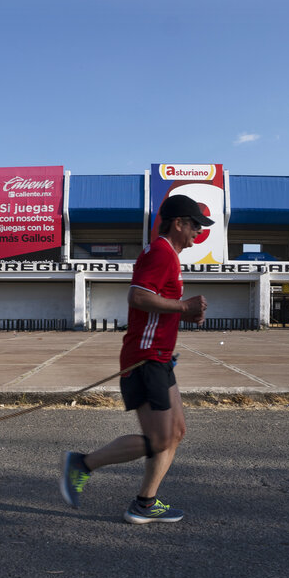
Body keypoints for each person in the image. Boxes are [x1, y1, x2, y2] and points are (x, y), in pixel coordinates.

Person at [60, 194, 212, 524]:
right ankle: (83, 464)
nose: (199, 232)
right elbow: (138, 296)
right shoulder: (161, 253)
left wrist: (182, 315)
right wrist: (185, 307)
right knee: (159, 439)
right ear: (178, 224)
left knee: (177, 432)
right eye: (196, 225)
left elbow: (154, 306)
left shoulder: (168, 255)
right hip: (145, 359)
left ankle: (145, 503)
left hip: (160, 357)